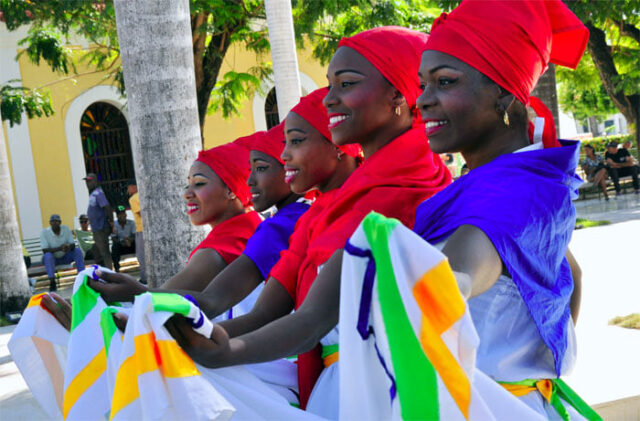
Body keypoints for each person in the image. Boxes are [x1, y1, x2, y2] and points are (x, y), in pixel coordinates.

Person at [160, 27, 451, 417]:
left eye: (345, 84)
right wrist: (148, 311)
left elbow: (312, 321)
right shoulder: (319, 212)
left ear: (399, 95)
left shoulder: (416, 190)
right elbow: (266, 313)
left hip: (388, 390)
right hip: (335, 386)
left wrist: (223, 348)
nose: (330, 98)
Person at [409, 0, 596, 418]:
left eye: (444, 82)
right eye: (422, 84)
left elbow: (467, 263)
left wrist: (450, 284)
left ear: (502, 92)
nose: (422, 100)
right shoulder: (525, 179)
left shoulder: (508, 193)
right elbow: (573, 275)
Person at [40, 214, 85, 291]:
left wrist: (67, 247)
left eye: (57, 221)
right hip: (53, 259)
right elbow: (45, 250)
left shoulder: (66, 229)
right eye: (52, 222)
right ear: (50, 223)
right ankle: (52, 282)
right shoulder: (44, 232)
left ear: (60, 222)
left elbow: (72, 244)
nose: (55, 223)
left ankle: (83, 278)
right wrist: (60, 248)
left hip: (65, 256)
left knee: (77, 251)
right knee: (48, 256)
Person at [84, 173, 114, 269]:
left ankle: (110, 274)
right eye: (86, 181)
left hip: (101, 227)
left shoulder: (98, 193)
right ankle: (104, 272)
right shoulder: (93, 193)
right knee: (96, 251)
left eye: (90, 181)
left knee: (104, 253)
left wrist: (112, 222)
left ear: (95, 181)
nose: (88, 183)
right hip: (96, 228)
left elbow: (107, 207)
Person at [127, 180, 146, 282]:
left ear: (133, 187)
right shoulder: (145, 194)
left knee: (141, 256)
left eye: (128, 187)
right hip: (147, 229)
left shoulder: (133, 198)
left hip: (141, 229)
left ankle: (144, 278)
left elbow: (140, 212)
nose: (128, 190)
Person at [110, 205, 136, 272]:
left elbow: (134, 235)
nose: (122, 215)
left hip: (130, 244)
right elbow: (113, 238)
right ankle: (117, 269)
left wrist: (129, 240)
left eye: (123, 213)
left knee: (138, 243)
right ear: (117, 216)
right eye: (120, 214)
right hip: (121, 245)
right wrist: (122, 242)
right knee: (115, 247)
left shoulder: (131, 223)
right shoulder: (114, 225)